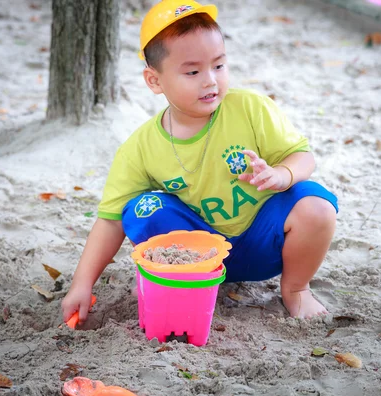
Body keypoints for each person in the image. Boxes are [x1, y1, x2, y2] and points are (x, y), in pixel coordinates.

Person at [61, 0, 338, 325]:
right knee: (141, 210)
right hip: (195, 252)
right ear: (154, 81)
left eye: (218, 66)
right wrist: (82, 283)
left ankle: (296, 289)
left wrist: (282, 174)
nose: (210, 80)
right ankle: (179, 281)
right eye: (192, 71)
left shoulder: (250, 109)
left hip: (265, 241)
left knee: (317, 206)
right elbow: (110, 222)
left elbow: (303, 156)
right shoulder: (141, 147)